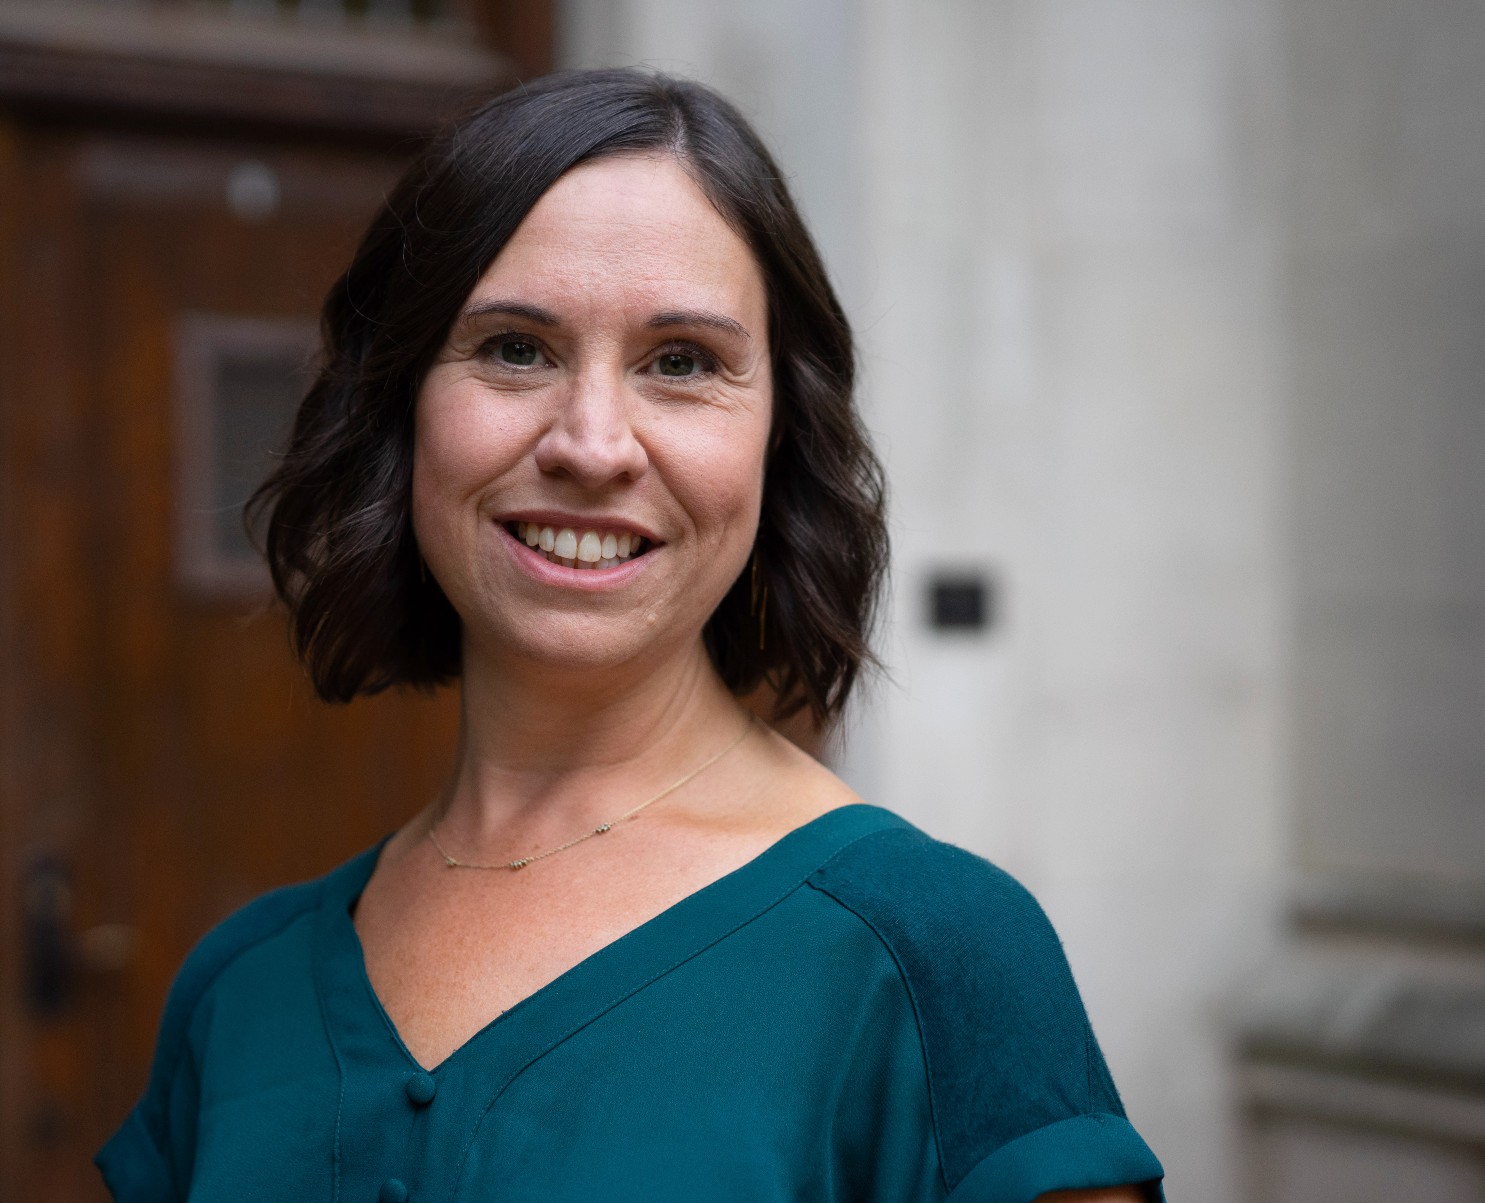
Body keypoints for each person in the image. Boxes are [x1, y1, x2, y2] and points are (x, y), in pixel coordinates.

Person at [96, 69, 1164, 1203]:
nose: (592, 443)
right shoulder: (238, 997)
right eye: (514, 348)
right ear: (399, 407)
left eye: (681, 363)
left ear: (778, 439)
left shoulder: (932, 956)